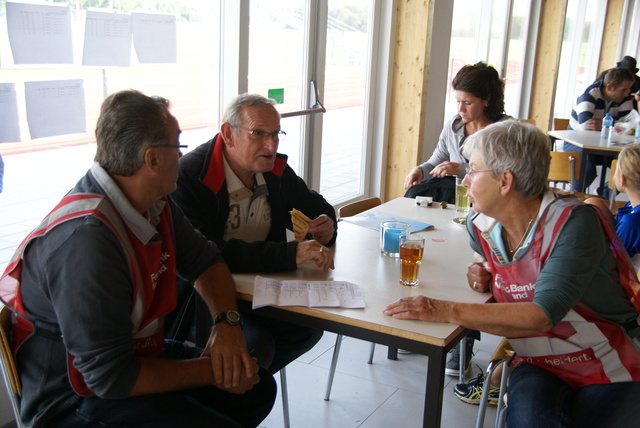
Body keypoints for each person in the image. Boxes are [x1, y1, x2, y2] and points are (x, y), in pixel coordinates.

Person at [0, 90, 276, 427]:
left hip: (133, 358)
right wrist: (211, 371)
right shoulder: (87, 241)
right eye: (177, 146)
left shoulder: (154, 202)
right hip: (73, 397)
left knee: (256, 387)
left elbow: (207, 261)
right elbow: (109, 379)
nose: (181, 156)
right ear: (153, 160)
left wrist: (227, 323)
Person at [383, 120, 640, 427]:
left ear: (505, 181)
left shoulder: (573, 223)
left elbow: (542, 314)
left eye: (473, 170)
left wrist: (442, 309)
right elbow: (496, 266)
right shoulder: (479, 226)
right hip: (540, 359)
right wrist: (479, 271)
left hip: (610, 356)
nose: (464, 180)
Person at [171, 93, 335, 375]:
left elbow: (317, 207)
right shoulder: (190, 176)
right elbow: (207, 252)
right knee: (256, 347)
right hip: (200, 299)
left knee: (307, 329)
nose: (270, 145)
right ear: (228, 134)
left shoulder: (273, 171)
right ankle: (233, 400)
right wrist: (289, 253)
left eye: (275, 134)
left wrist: (326, 224)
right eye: (258, 134)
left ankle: (243, 392)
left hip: (258, 291)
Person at [403, 62, 510, 205]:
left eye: (467, 103)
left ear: (487, 99)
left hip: (490, 200)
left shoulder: (505, 131)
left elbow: (503, 174)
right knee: (415, 194)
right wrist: (421, 170)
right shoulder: (454, 126)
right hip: (457, 198)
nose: (460, 109)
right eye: (458, 101)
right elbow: (439, 160)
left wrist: (459, 169)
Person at [566, 67, 635, 193]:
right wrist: (614, 124)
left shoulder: (625, 98)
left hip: (606, 144)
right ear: (609, 87)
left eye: (629, 89)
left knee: (630, 169)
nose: (627, 93)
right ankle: (574, 198)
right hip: (577, 141)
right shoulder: (588, 95)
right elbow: (586, 125)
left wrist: (606, 124)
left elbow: (629, 125)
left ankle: (603, 194)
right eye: (624, 90)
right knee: (587, 171)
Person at [586, 143, 640, 271]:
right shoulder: (633, 209)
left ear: (621, 180)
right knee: (594, 202)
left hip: (628, 279)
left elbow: (614, 261)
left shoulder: (632, 222)